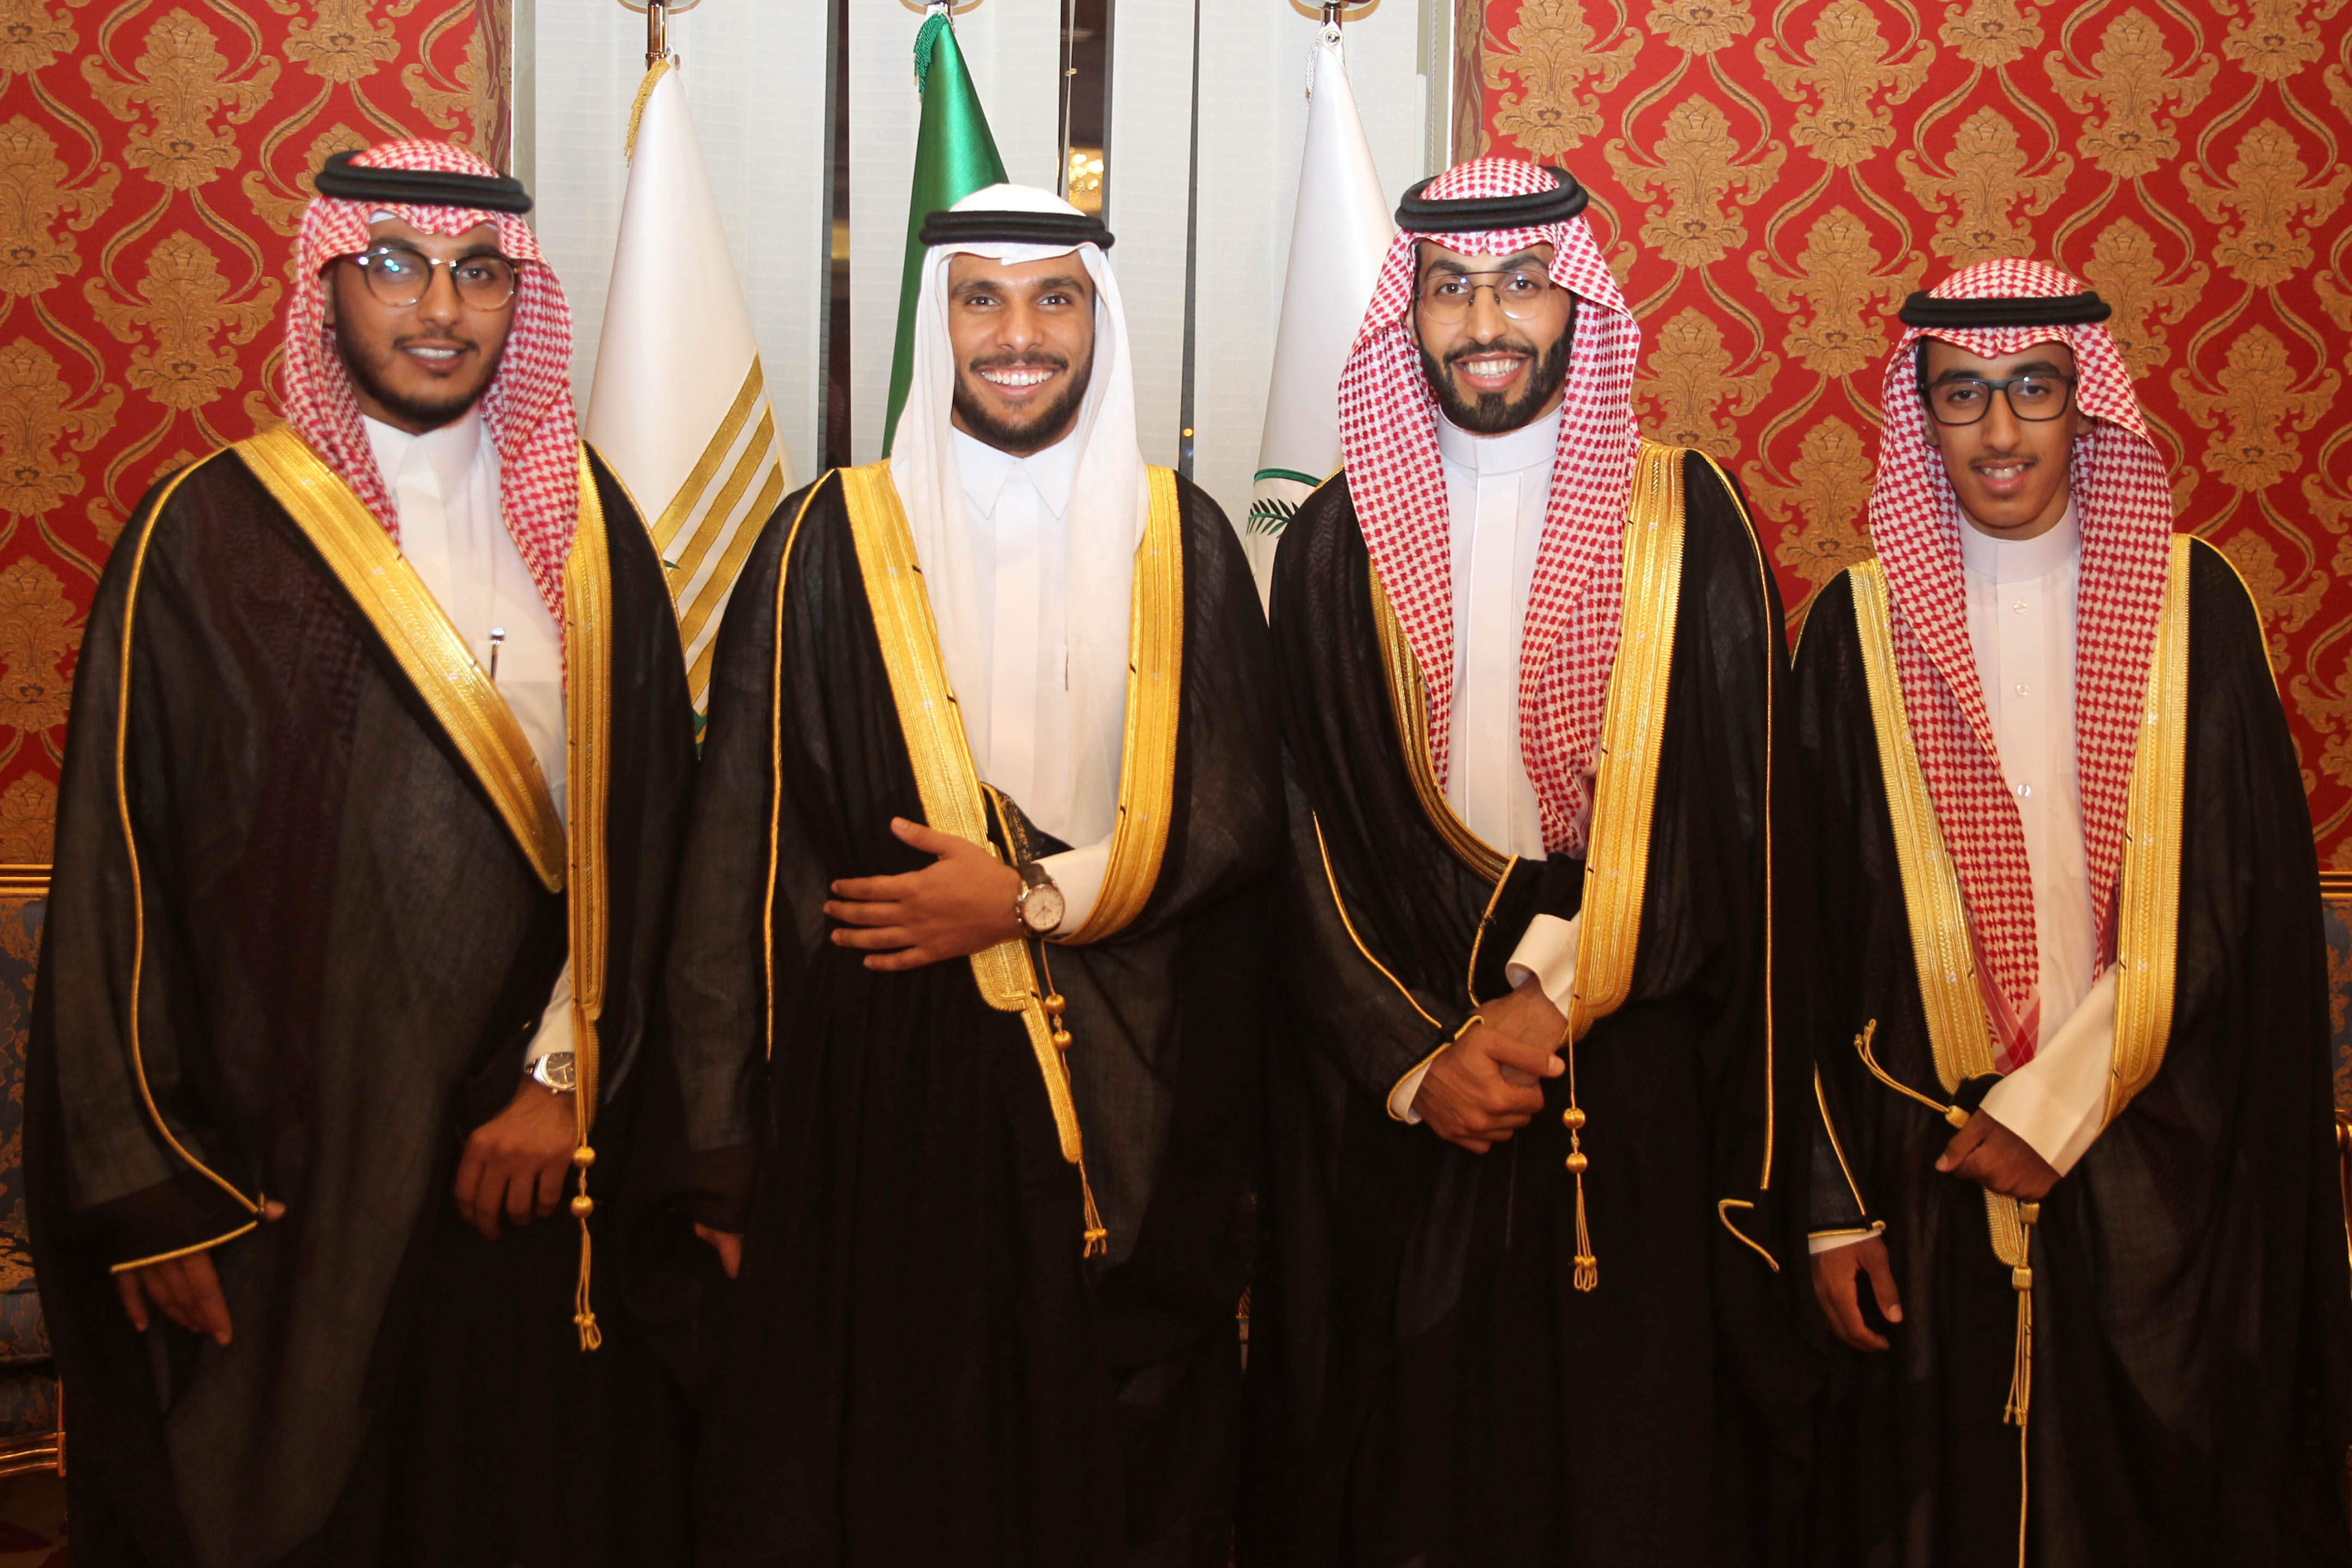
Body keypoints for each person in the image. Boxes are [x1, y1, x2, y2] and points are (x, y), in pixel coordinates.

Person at [26, 141, 696, 1567]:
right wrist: (153, 1190)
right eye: (394, 265)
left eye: (480, 272)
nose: (440, 307)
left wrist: (562, 1077)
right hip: (282, 1163)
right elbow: (118, 874)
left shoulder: (592, 537)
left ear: (523, 299)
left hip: (524, 1155)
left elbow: (652, 838)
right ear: (326, 284)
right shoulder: (208, 537)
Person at [656, 184, 1282, 1567]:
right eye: (979, 298)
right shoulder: (824, 539)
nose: (1018, 334)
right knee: (902, 1460)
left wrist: (1027, 900)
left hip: (1133, 1094)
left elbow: (1239, 818)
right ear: (934, 322)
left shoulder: (1182, 541)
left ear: (1100, 322)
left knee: (1117, 1464)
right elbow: (734, 862)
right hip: (879, 1108)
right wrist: (721, 1154)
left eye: (1055, 297)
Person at [1239, 156, 1814, 1567]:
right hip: (1407, 1090)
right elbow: (1298, 836)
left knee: (1625, 1469)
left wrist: (1555, 995)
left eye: (1522, 283)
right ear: (1409, 311)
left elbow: (1736, 819)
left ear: (1581, 304)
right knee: (1407, 1473)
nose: (1486, 320)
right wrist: (1417, 1058)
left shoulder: (1690, 524)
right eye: (1451, 287)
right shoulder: (1334, 544)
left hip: (1629, 1077)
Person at [1798, 259, 2352, 1565]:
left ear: (2084, 402)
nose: (2000, 432)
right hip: (1924, 1158)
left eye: (2033, 389)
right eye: (1963, 395)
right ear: (1923, 415)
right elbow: (1803, 940)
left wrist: (2059, 1104)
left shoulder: (2193, 605)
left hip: (2157, 1143)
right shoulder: (1854, 630)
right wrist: (1833, 1205)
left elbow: (2236, 902)